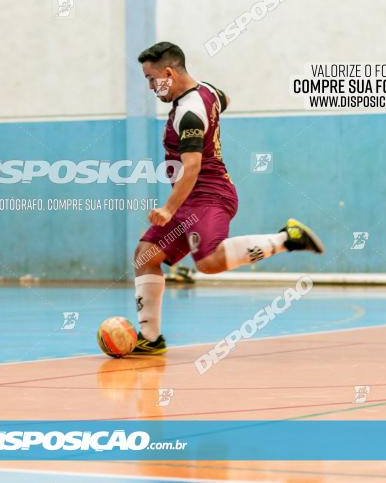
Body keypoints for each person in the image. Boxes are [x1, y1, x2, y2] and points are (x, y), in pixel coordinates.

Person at [131, 42, 323, 354]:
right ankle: (150, 340)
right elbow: (223, 99)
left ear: (168, 72)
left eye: (152, 79)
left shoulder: (189, 114)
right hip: (191, 198)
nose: (151, 86)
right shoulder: (206, 91)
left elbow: (191, 168)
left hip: (208, 196)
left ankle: (288, 239)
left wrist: (168, 209)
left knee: (207, 262)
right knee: (145, 255)